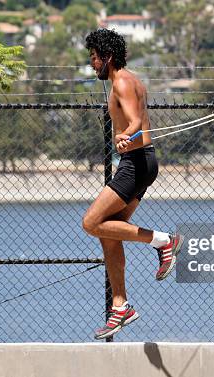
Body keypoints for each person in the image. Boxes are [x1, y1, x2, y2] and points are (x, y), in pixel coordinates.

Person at [82, 29, 184, 340]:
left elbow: (136, 120)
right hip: (142, 162)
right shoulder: (132, 80)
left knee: (91, 222)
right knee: (109, 232)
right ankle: (120, 305)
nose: (92, 65)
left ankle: (164, 241)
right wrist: (131, 136)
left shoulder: (123, 82)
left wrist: (127, 136)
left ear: (107, 58)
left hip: (136, 162)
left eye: (95, 59)